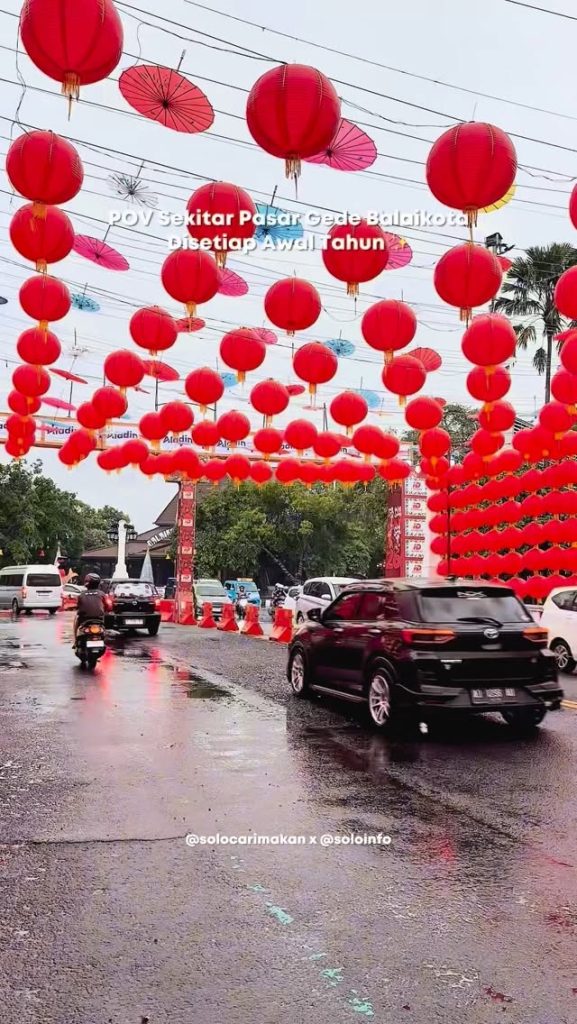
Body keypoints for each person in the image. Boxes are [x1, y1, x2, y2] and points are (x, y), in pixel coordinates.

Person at [73, 573, 105, 644]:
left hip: (84, 619)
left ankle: (75, 641)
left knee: (76, 620)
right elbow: (108, 605)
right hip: (99, 619)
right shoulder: (102, 594)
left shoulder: (82, 595)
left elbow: (77, 606)